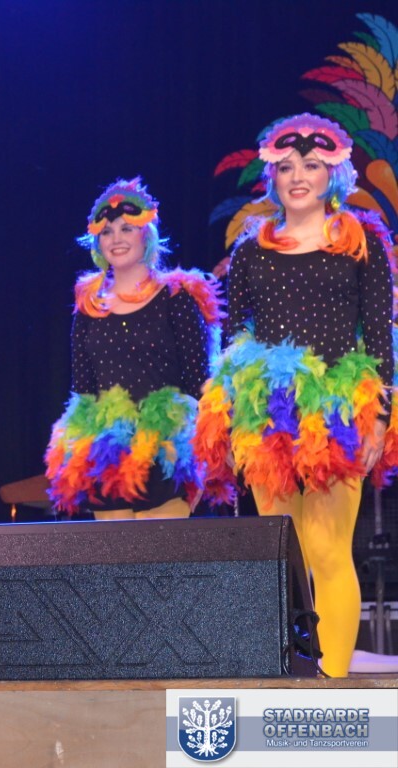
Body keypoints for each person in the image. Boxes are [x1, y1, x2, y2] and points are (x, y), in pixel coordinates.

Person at [195, 113, 397, 677]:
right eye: (286, 167)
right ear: (273, 178)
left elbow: (381, 337)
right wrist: (231, 414)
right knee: (282, 556)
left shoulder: (361, 242)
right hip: (267, 415)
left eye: (310, 165)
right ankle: (286, 675)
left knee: (328, 551)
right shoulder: (251, 251)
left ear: (333, 174)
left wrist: (379, 418)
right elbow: (234, 341)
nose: (298, 176)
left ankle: (331, 684)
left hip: (338, 410)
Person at [46, 178, 222, 520]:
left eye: (127, 228)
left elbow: (199, 381)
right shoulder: (89, 306)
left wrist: (201, 450)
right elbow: (84, 389)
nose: (116, 239)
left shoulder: (176, 298)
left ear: (147, 234)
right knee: (115, 552)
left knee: (159, 551)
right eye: (107, 232)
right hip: (109, 450)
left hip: (167, 444)